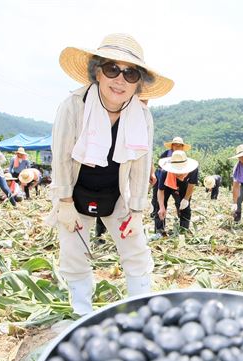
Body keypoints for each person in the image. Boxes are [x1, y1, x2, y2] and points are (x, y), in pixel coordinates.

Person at [44, 33, 173, 315]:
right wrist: (64, 202)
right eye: (112, 69)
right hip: (75, 191)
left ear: (139, 82)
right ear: (97, 72)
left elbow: (141, 164)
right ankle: (81, 312)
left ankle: (141, 309)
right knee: (74, 254)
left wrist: (137, 211)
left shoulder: (142, 116)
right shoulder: (74, 106)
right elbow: (62, 158)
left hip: (117, 194)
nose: (120, 80)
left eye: (130, 73)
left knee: (136, 251)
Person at [155, 150, 199, 236]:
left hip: (184, 185)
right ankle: (159, 230)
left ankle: (183, 230)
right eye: (176, 170)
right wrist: (161, 206)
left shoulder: (193, 170)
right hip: (168, 184)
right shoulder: (165, 172)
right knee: (160, 207)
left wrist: (186, 199)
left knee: (185, 208)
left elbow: (191, 185)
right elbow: (160, 190)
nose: (179, 174)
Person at [151, 137, 191, 218]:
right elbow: (160, 168)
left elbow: (191, 184)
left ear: (182, 147)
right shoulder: (165, 155)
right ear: (172, 146)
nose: (177, 147)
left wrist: (186, 198)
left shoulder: (184, 159)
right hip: (163, 179)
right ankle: (158, 221)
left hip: (178, 182)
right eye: (175, 145)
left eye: (179, 146)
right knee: (158, 202)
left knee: (180, 202)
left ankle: (182, 222)